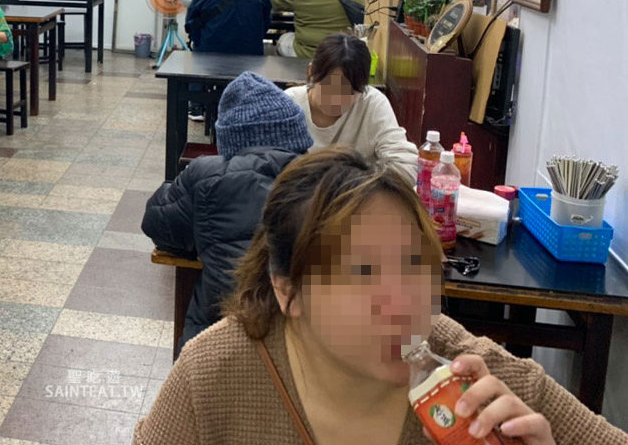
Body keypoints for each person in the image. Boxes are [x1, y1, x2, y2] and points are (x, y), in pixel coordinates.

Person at [135, 147, 628, 445]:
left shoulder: (473, 376)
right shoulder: (218, 372)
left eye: (415, 265)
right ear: (288, 292)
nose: (403, 302)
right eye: (362, 274)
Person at [142, 72, 313, 353]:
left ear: (229, 139)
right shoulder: (327, 176)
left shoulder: (207, 174)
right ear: (295, 132)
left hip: (220, 336)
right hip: (305, 343)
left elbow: (157, 224)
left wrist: (181, 193)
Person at [286, 33, 417, 175]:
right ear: (312, 72)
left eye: (350, 92)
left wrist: (359, 187)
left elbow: (405, 165)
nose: (337, 99)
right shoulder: (289, 105)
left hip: (357, 194)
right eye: (331, 87)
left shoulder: (372, 104)